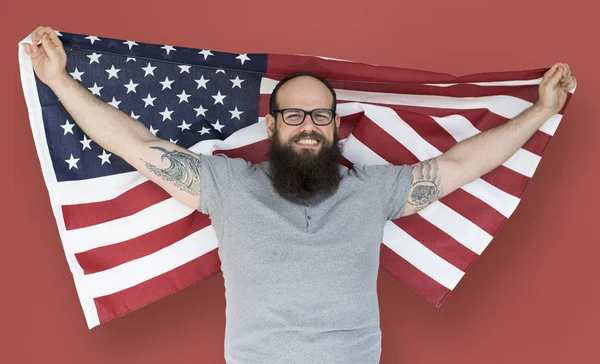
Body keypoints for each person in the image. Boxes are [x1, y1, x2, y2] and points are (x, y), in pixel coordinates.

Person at [23, 26, 576, 364]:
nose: (307, 126)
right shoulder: (226, 185)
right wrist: (59, 81)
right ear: (272, 127)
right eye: (294, 115)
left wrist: (542, 110)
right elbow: (136, 143)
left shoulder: (375, 192)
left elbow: (461, 162)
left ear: (336, 128)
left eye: (320, 115)